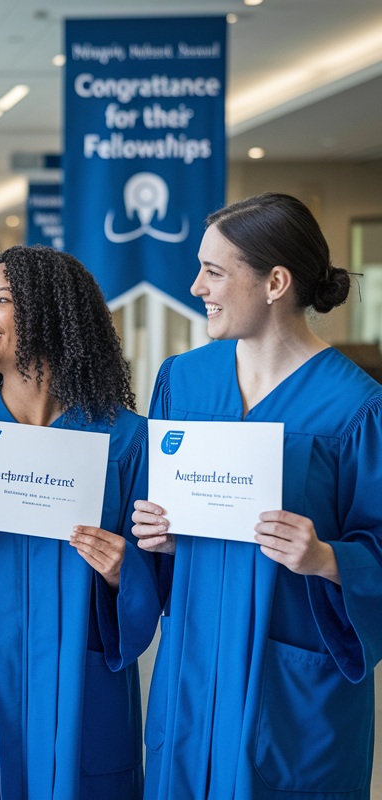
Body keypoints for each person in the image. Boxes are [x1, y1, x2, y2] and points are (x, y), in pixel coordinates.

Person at [131, 193, 381, 799]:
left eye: (214, 272)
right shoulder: (182, 380)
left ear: (275, 281)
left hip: (291, 687)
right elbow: (152, 524)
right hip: (193, 668)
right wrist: (154, 537)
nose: (196, 287)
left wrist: (325, 558)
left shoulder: (355, 408)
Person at [0, 246, 160, 799]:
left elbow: (158, 580)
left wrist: (123, 571)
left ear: (54, 315)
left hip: (79, 686)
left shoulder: (126, 441)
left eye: (1, 301)